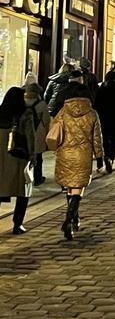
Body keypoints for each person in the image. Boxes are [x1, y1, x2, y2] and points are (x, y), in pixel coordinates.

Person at [53, 92, 103, 240]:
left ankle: (74, 217)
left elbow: (53, 130)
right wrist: (99, 157)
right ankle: (69, 219)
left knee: (69, 185)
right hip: (83, 154)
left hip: (65, 152)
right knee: (78, 187)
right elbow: (97, 138)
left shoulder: (63, 112)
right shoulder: (92, 114)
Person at [0, 87, 36, 234]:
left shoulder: (1, 113)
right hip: (18, 157)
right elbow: (30, 136)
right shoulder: (25, 114)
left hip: (1, 157)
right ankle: (17, 223)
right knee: (23, 190)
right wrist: (33, 155)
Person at [94, 71, 115, 173]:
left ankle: (107, 155)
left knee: (106, 139)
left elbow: (96, 104)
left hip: (104, 119)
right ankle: (111, 157)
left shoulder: (102, 90)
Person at [24, 83, 50, 186]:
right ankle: (38, 178)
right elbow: (46, 120)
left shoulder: (23, 102)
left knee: (25, 156)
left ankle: (25, 178)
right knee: (38, 157)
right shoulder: (42, 104)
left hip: (25, 132)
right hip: (38, 131)